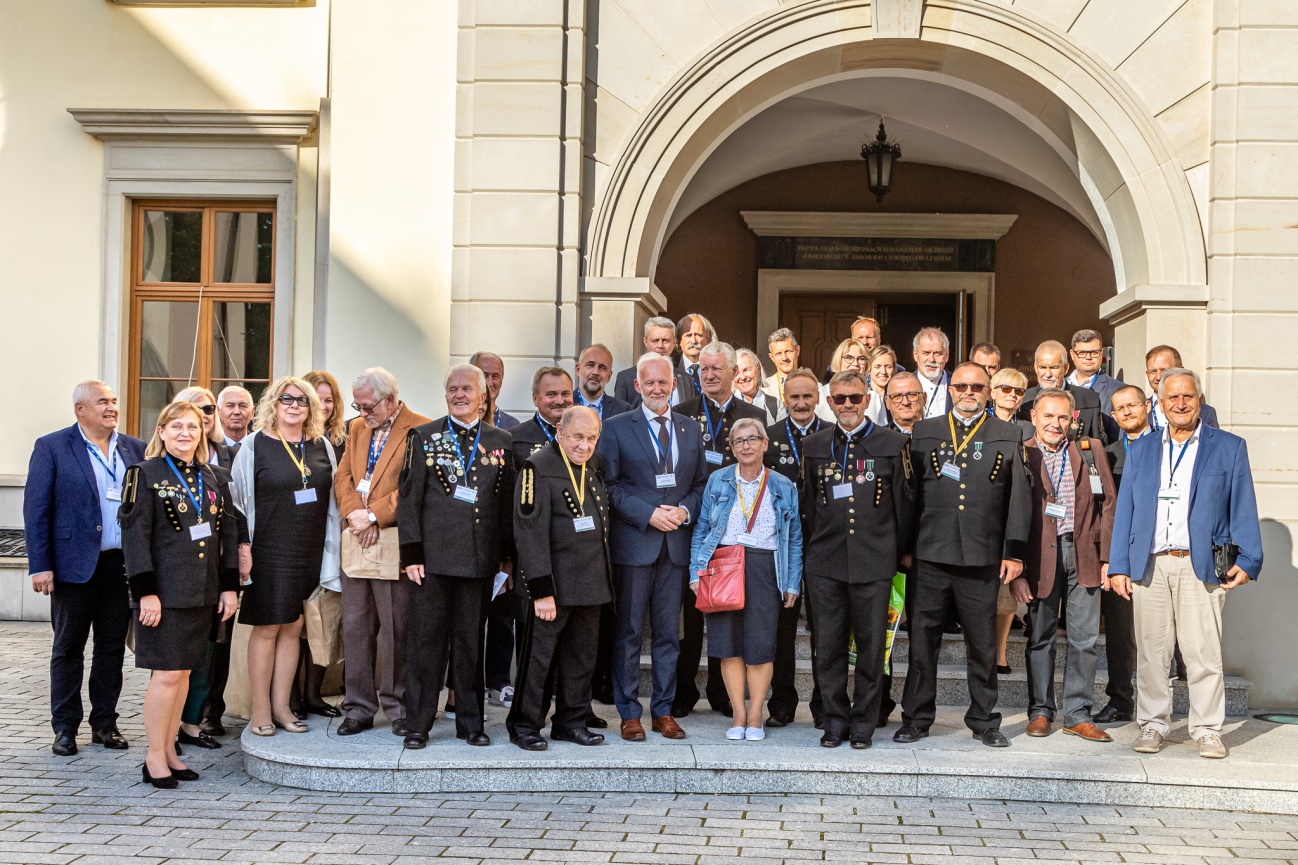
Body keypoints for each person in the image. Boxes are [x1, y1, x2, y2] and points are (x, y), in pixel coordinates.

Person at [1109, 368, 1262, 759]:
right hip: (1151, 564)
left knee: (1203, 653)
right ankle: (1153, 724)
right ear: (1159, 403)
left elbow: (1242, 503)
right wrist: (1118, 564)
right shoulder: (1141, 448)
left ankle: (1208, 730)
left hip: (1201, 565)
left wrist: (1249, 557)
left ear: (1199, 400)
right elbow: (1125, 507)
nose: (1180, 403)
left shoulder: (1227, 446)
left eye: (1188, 397)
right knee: (1151, 652)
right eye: (1172, 397)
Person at [896, 362, 1032, 748]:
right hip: (930, 555)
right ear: (950, 390)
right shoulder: (926, 431)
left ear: (988, 391)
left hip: (982, 555)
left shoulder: (1007, 433)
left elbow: (1017, 498)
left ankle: (985, 720)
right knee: (923, 642)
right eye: (961, 386)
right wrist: (905, 550)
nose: (969, 393)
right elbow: (909, 496)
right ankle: (917, 718)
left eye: (977, 386)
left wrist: (1014, 552)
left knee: (983, 645)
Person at [118, 401, 239, 787]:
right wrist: (146, 594)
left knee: (184, 674)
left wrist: (229, 587)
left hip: (202, 591)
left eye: (192, 427)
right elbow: (135, 540)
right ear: (163, 431)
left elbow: (228, 536)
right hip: (164, 593)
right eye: (177, 427)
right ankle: (153, 757)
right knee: (166, 676)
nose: (185, 433)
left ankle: (170, 749)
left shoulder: (213, 476)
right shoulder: (144, 474)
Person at [24, 380, 145, 756]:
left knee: (111, 649)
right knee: (68, 648)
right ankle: (65, 728)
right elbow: (36, 509)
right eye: (102, 402)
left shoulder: (134, 449)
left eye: (113, 401)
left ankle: (105, 725)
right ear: (80, 409)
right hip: (71, 567)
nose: (112, 408)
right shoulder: (53, 447)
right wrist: (40, 565)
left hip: (118, 565)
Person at [398, 364, 515, 748]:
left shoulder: (501, 440)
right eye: (453, 388)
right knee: (426, 643)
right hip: (431, 562)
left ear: (483, 396)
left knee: (470, 643)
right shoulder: (424, 436)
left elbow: (504, 505)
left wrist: (505, 559)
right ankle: (417, 724)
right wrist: (411, 554)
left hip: (479, 561)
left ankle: (471, 723)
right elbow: (409, 501)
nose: (459, 394)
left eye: (467, 388)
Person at [801, 371, 915, 748]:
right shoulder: (814, 444)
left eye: (854, 398)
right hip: (826, 562)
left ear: (868, 400)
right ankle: (834, 720)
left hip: (874, 561)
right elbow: (809, 506)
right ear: (828, 402)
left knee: (871, 649)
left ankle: (864, 722)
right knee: (828, 647)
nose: (847, 405)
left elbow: (904, 505)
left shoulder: (892, 443)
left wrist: (898, 555)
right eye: (839, 399)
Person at [599, 354, 708, 742]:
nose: (657, 389)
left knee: (667, 634)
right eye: (650, 383)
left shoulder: (690, 430)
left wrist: (683, 511)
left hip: (675, 548)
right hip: (635, 545)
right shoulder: (614, 428)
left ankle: (663, 710)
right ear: (637, 386)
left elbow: (700, 487)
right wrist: (648, 514)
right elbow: (609, 487)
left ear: (673, 385)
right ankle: (629, 712)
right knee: (628, 632)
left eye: (664, 383)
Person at [230, 377, 340, 737]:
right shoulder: (254, 445)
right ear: (273, 405)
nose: (294, 406)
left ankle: (282, 707)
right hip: (269, 550)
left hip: (310, 551)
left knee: (294, 628)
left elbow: (334, 502)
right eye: (286, 399)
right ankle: (260, 710)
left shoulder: (321, 444)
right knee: (267, 629)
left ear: (312, 408)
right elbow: (237, 502)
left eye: (302, 401)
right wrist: (243, 549)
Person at [690, 418, 803, 741]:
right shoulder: (718, 481)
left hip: (766, 568)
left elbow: (793, 538)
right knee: (728, 647)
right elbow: (701, 530)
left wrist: (792, 582)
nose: (746, 446)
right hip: (724, 565)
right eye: (739, 441)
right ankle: (738, 713)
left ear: (765, 444)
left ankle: (756, 714)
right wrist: (696, 571)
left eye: (753, 439)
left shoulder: (782, 485)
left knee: (760, 646)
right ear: (732, 448)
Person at [507, 405, 612, 750]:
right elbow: (529, 532)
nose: (584, 445)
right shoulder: (536, 467)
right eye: (578, 437)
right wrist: (541, 590)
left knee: (581, 660)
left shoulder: (594, 466)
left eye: (591, 438)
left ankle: (571, 721)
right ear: (560, 433)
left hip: (590, 582)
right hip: (552, 587)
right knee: (539, 660)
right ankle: (525, 724)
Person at [1015, 388, 1117, 742]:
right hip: (1038, 557)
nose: (1055, 424)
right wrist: (1017, 570)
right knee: (1040, 637)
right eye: (1048, 416)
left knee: (1085, 639)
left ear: (1072, 419)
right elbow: (1010, 512)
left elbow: (1109, 506)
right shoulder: (1021, 452)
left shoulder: (1090, 450)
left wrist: (1108, 559)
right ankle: (1041, 712)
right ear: (1034, 418)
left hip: (1084, 553)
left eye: (1062, 417)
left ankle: (1077, 714)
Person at [333, 368, 431, 737]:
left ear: (390, 399)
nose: (362, 414)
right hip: (358, 540)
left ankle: (398, 705)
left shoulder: (420, 428)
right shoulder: (357, 429)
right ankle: (358, 707)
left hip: (393, 540)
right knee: (356, 627)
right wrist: (354, 514)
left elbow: (414, 487)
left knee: (396, 629)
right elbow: (343, 476)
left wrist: (374, 514)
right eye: (357, 406)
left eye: (368, 406)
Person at [675, 342, 765, 716]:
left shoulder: (753, 413)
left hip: (735, 533)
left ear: (732, 371)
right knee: (691, 614)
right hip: (693, 527)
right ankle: (683, 691)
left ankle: (722, 692)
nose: (709, 375)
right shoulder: (681, 413)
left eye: (716, 369)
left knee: (726, 613)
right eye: (703, 370)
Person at [170, 386, 248, 750]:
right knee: (176, 658)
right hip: (175, 575)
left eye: (204, 410)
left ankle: (199, 718)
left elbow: (235, 517)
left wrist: (238, 561)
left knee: (211, 652)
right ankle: (169, 727)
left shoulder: (224, 463)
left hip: (215, 572)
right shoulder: (153, 469)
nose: (201, 417)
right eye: (187, 415)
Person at [497, 366, 576, 709]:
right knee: (532, 640)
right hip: (532, 559)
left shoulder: (582, 435)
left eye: (565, 394)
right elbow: (504, 505)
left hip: (573, 557)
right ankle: (530, 713)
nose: (559, 400)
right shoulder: (515, 439)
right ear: (535, 398)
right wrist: (508, 557)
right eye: (551, 394)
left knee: (571, 641)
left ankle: (569, 710)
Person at [762, 368, 824, 726]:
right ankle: (782, 703)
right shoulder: (768, 436)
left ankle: (822, 704)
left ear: (817, 398)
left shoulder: (831, 436)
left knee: (824, 630)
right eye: (795, 397)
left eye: (807, 396)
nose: (801, 403)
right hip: (778, 548)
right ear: (785, 399)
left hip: (820, 546)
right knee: (781, 631)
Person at [1093, 384, 1152, 724]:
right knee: (1119, 634)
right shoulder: (1108, 454)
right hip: (1119, 556)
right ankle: (1121, 701)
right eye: (1121, 408)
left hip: (1158, 553)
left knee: (1157, 635)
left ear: (1147, 406)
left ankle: (1156, 705)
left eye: (1134, 405)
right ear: (1113, 416)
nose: (1128, 411)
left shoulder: (1167, 447)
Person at [292, 369, 349, 719]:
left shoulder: (345, 439)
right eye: (316, 399)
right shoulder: (289, 439)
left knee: (324, 620)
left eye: (329, 399)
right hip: (296, 541)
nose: (323, 406)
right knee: (295, 623)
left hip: (333, 539)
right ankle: (291, 696)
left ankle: (313, 693)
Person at [201, 385, 254, 735]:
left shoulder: (261, 445)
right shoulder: (207, 452)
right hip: (210, 558)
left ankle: (219, 709)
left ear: (253, 411)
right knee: (211, 639)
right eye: (229, 406)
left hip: (250, 551)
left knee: (235, 634)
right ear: (219, 412)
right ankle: (204, 711)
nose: (236, 411)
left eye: (243, 406)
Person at [1018, 340, 1109, 444]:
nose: (1047, 374)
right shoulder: (1023, 400)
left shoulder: (1088, 400)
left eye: (1053, 367)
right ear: (1035, 368)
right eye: (1042, 367)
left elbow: (1098, 446)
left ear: (1065, 368)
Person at [613, 316, 695, 408]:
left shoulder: (686, 378)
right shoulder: (625, 378)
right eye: (655, 340)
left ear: (674, 342)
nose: (660, 345)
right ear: (645, 342)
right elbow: (619, 416)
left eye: (665, 340)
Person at [1145, 345, 1220, 430]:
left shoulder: (1206, 412)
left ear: (1180, 370)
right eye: (1153, 371)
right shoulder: (1137, 411)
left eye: (1164, 370)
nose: (1158, 377)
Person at [1067, 329, 1123, 411]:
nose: (1088, 357)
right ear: (1072, 354)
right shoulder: (1059, 387)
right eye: (1082, 353)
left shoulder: (1118, 390)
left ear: (1101, 353)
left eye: (1094, 352)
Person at [816, 338, 869, 421]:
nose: (855, 363)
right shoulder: (821, 394)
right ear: (838, 360)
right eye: (849, 358)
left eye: (861, 358)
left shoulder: (876, 398)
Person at [574, 344, 631, 419]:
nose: (595, 372)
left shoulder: (624, 411)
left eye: (602, 368)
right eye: (590, 365)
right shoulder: (563, 405)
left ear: (609, 376)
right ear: (578, 369)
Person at [471, 350, 521, 428]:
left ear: (501, 381)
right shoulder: (459, 420)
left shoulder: (513, 425)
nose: (490, 383)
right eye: (484, 376)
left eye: (495, 377)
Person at [734, 347, 781, 424]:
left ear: (758, 368)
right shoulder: (726, 406)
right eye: (736, 372)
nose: (742, 377)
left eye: (747, 370)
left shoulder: (775, 405)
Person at [912, 327, 952, 419]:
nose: (931, 359)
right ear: (915, 354)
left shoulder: (958, 385)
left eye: (937, 353)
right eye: (926, 353)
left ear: (946, 356)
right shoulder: (903, 385)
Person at [676, 313, 716, 397]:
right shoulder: (671, 369)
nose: (693, 341)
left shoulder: (717, 367)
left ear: (708, 338)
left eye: (698, 335)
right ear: (679, 340)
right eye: (688, 335)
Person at [990, 368, 1034, 440]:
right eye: (1006, 389)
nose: (1013, 394)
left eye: (1019, 391)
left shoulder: (1030, 429)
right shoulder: (981, 424)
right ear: (993, 393)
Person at [761, 327, 801, 400]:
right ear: (772, 357)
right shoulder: (763, 389)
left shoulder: (816, 387)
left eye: (788, 351)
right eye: (778, 354)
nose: (784, 358)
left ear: (797, 351)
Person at [864, 345, 896, 425]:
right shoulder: (862, 396)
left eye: (888, 367)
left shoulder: (896, 396)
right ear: (869, 368)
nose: (883, 371)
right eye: (877, 367)